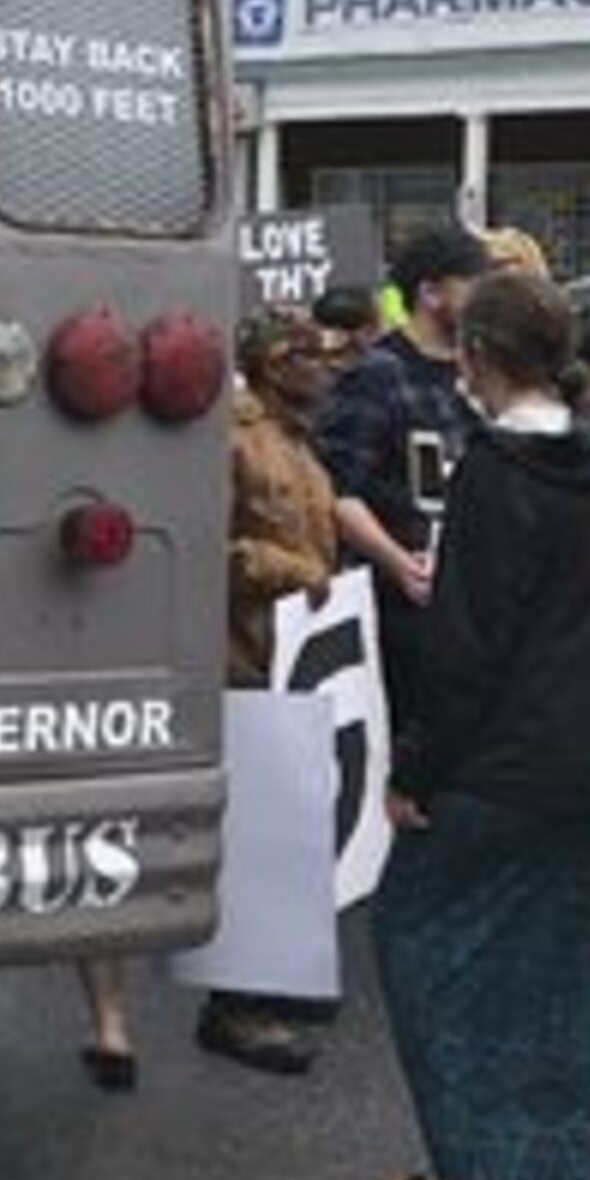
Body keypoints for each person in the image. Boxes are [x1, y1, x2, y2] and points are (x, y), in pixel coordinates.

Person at [364, 269, 590, 1180]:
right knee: (578, 977)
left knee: (425, 943)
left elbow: (469, 644)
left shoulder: (494, 470)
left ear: (480, 354)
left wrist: (416, 771)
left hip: (503, 767)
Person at [196, 306, 345, 1076]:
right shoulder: (234, 440)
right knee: (252, 838)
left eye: (322, 353)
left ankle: (275, 977)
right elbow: (210, 547)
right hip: (242, 659)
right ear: (267, 363)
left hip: (292, 660)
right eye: (303, 354)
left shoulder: (298, 439)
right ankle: (235, 1006)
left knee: (288, 824)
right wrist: (296, 574)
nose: (321, 366)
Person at [318, 224, 492, 751]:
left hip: (471, 598)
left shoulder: (483, 370)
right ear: (431, 292)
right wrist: (397, 561)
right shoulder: (380, 372)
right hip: (402, 609)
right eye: (474, 284)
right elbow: (336, 487)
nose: (486, 299)